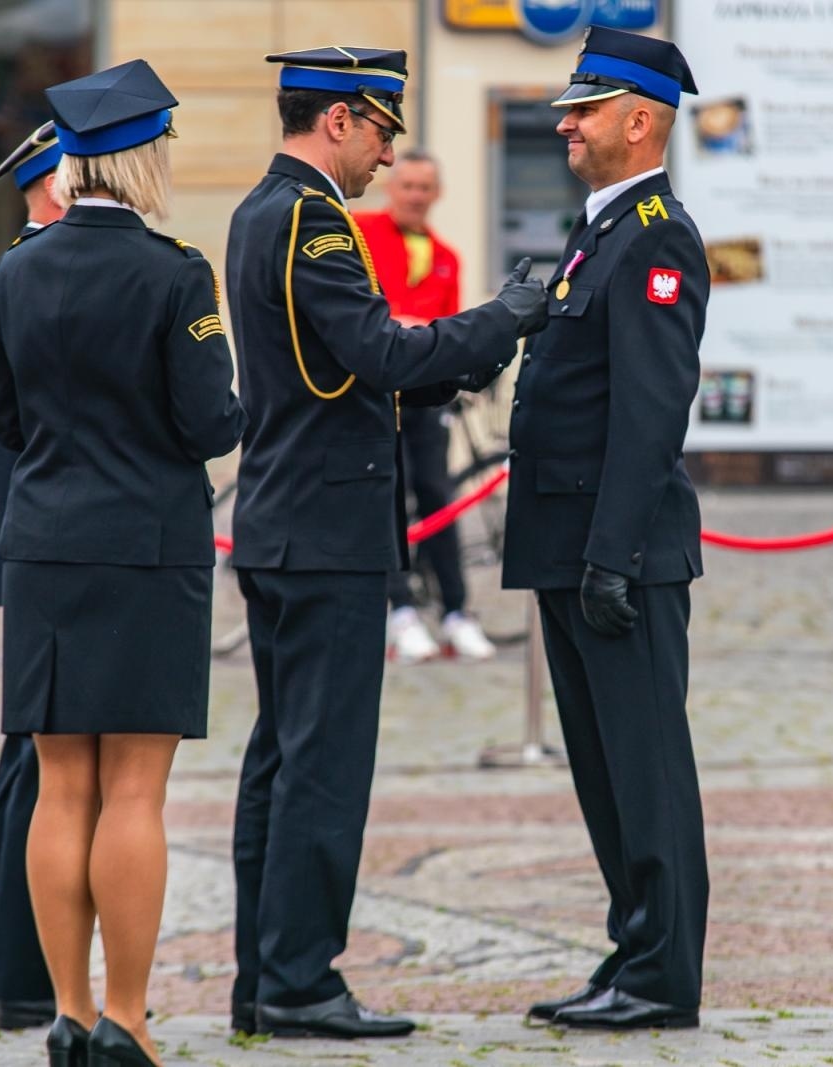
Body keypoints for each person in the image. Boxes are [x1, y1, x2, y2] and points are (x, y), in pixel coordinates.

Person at [225, 45, 547, 1040]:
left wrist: (440, 361)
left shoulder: (256, 209)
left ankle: (266, 969)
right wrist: (503, 318)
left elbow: (359, 366)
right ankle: (299, 979)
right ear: (336, 122)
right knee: (320, 761)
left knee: (281, 755)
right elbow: (377, 351)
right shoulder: (311, 219)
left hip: (288, 518)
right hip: (322, 525)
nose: (382, 153)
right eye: (377, 131)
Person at [0, 59, 245, 1067]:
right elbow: (209, 421)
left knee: (60, 787)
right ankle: (127, 1019)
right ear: (143, 159)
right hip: (146, 545)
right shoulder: (176, 272)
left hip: (45, 543)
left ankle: (66, 1008)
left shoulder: (15, 270)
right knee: (134, 791)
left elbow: (4, 421)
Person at [501, 26, 710, 1031]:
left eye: (584, 109)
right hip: (569, 544)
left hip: (613, 551)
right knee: (600, 767)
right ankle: (632, 946)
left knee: (644, 765)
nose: (566, 123)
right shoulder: (600, 230)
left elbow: (650, 411)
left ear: (639, 120)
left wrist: (611, 555)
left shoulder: (657, 233)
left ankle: (665, 975)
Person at [0, 119, 64, 1032]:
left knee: (33, 765)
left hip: (28, 540)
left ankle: (20, 977)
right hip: (47, 543)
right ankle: (20, 975)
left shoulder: (20, 268)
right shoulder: (31, 272)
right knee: (37, 769)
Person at [354, 150, 498, 665]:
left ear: (436, 194)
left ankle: (457, 611)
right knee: (388, 495)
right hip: (374, 396)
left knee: (438, 494)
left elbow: (448, 331)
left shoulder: (446, 256)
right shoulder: (360, 232)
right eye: (407, 185)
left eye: (424, 187)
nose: (415, 195)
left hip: (424, 395)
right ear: (391, 189)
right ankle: (401, 610)